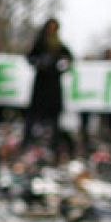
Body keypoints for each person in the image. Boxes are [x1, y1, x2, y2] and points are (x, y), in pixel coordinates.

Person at [24, 18, 72, 155]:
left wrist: (62, 67)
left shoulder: (59, 44)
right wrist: (38, 63)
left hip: (53, 83)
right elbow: (30, 57)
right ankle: (29, 141)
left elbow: (69, 58)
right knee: (34, 114)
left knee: (54, 116)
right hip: (41, 82)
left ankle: (54, 144)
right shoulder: (40, 42)